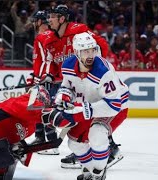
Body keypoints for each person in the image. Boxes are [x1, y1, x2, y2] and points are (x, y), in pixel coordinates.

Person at [43, 4, 122, 169]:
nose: (48, 19)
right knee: (75, 113)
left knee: (92, 111)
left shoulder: (80, 31)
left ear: (62, 18)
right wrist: (51, 75)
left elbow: (101, 47)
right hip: (73, 78)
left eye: (52, 16)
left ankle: (109, 150)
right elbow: (56, 62)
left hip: (90, 78)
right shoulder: (50, 38)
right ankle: (84, 149)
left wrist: (92, 70)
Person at [53, 32, 129, 180]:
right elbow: (67, 86)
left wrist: (81, 109)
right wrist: (63, 97)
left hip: (116, 107)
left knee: (97, 133)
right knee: (74, 142)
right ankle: (89, 170)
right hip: (92, 105)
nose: (90, 55)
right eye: (85, 51)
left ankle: (99, 173)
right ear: (76, 52)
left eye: (92, 50)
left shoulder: (103, 71)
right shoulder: (68, 65)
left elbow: (114, 105)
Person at [0, 86, 68, 179]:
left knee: (1, 163)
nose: (43, 105)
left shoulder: (32, 125)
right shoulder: (23, 101)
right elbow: (40, 112)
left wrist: (19, 151)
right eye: (42, 102)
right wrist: (61, 115)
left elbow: (14, 137)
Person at [26, 10, 60, 155]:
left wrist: (42, 77)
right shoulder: (46, 35)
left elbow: (48, 59)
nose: (33, 23)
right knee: (38, 108)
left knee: (46, 109)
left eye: (35, 20)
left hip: (47, 79)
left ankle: (52, 144)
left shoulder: (43, 36)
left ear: (40, 21)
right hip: (45, 77)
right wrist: (35, 76)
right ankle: (40, 138)